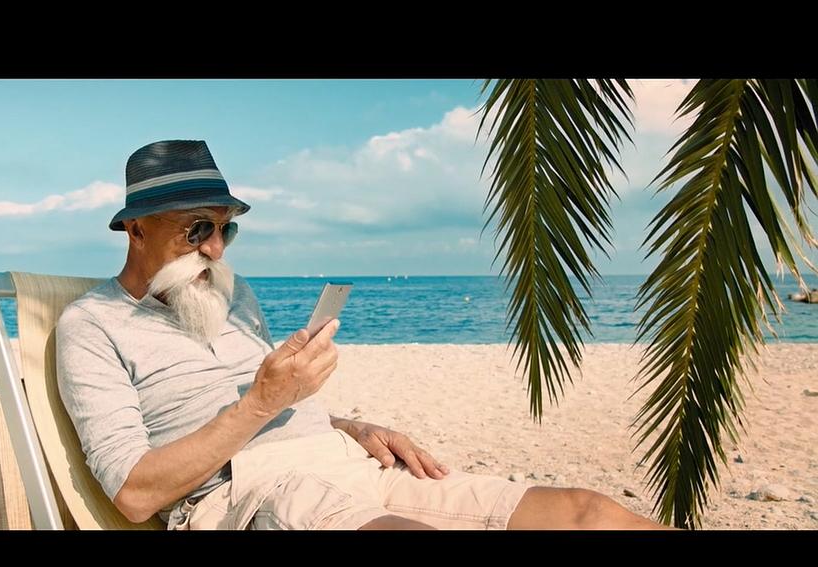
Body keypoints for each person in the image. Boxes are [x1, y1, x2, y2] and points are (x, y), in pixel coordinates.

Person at [55, 139, 675, 531]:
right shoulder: (92, 326)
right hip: (253, 493)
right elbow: (134, 495)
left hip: (348, 462)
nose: (216, 249)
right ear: (136, 229)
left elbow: (266, 403)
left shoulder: (229, 295)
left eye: (225, 229)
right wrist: (263, 403)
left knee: (590, 514)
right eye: (197, 229)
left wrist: (352, 427)